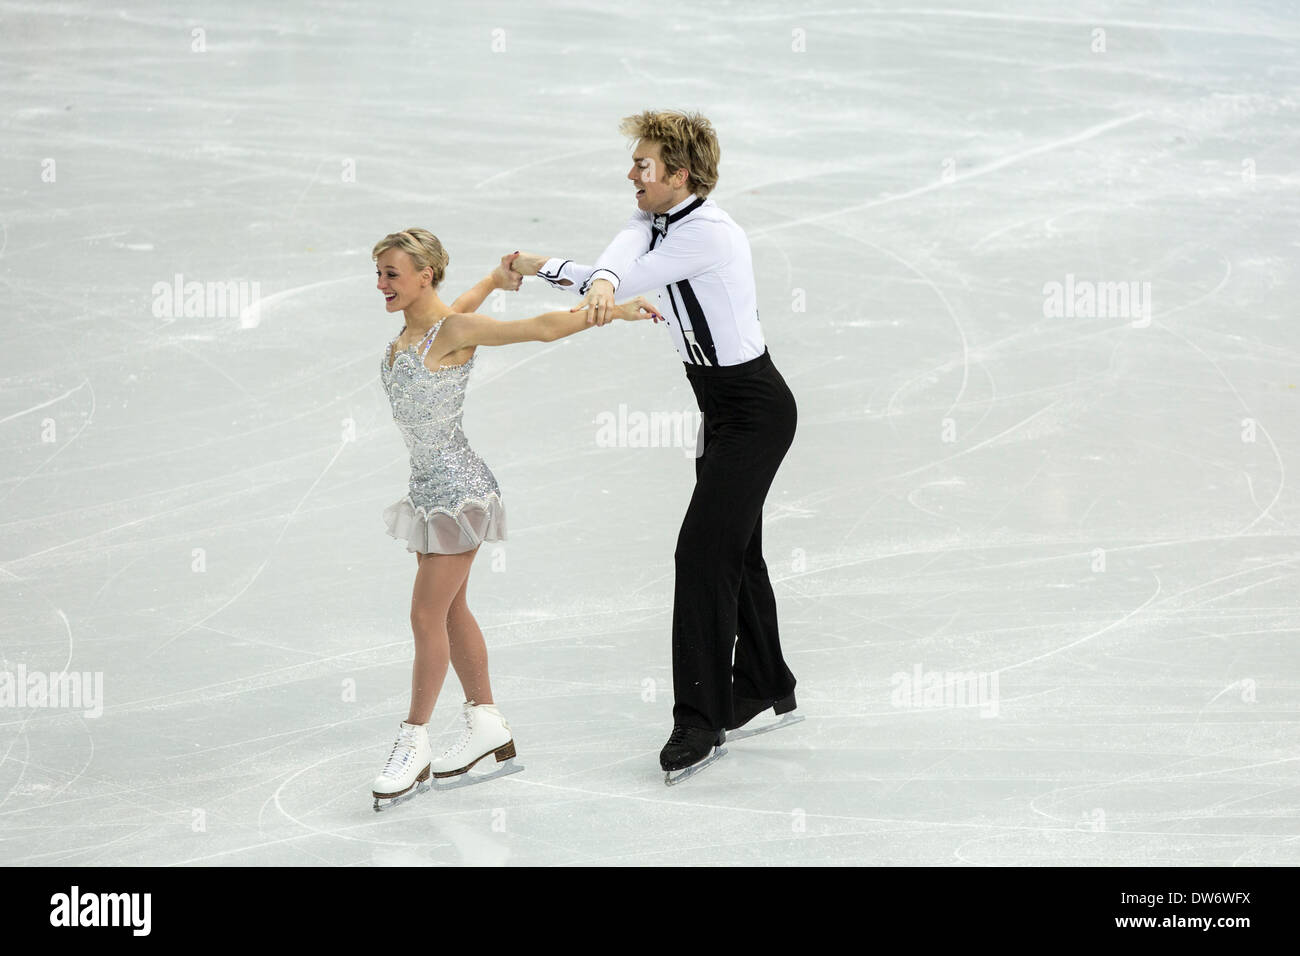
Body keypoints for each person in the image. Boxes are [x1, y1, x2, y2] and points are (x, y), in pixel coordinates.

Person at [509, 110, 800, 778]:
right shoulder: (655, 219)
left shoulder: (709, 236)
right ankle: (765, 682)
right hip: (719, 411)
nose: (631, 173)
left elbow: (630, 275)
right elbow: (620, 252)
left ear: (681, 174)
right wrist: (578, 273)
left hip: (755, 411)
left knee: (701, 554)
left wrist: (577, 275)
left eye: (644, 164)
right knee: (736, 550)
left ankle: (698, 720)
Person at [371, 228, 662, 807]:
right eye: (378, 273)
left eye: (392, 274)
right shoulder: (423, 328)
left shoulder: (450, 330)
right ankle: (487, 724)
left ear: (425, 274)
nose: (381, 284)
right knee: (450, 611)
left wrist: (617, 312)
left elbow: (539, 328)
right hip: (429, 492)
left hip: (459, 494)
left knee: (425, 615)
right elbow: (461, 311)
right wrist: (495, 280)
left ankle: (415, 740)